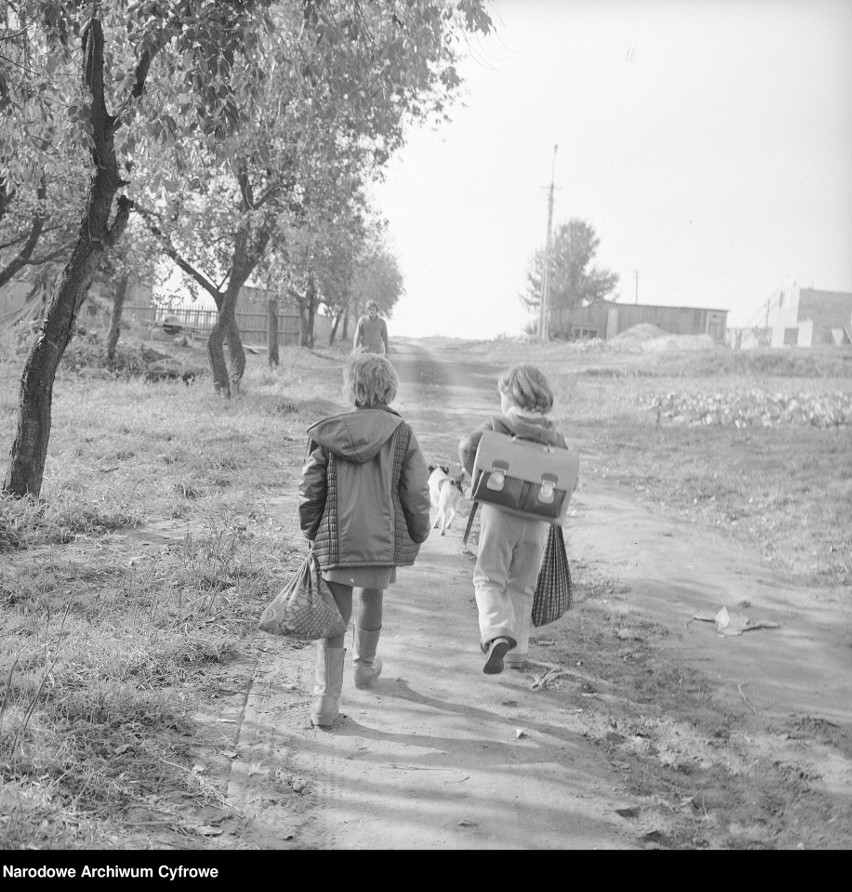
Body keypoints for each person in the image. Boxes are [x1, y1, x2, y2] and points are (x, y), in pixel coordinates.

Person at [298, 352, 431, 727]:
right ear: (389, 388)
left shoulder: (329, 433)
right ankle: (365, 667)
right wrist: (418, 530)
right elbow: (417, 491)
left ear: (352, 388)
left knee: (335, 616)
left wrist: (311, 529)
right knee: (372, 596)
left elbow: (310, 490)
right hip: (381, 540)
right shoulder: (402, 432)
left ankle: (325, 702)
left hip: (337, 542)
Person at [458, 363, 568, 675]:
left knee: (489, 577)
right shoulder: (555, 436)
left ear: (510, 396)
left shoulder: (498, 424)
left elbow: (467, 446)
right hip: (537, 519)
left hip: (500, 512)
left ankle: (495, 633)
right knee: (522, 584)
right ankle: (517, 654)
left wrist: (476, 479)